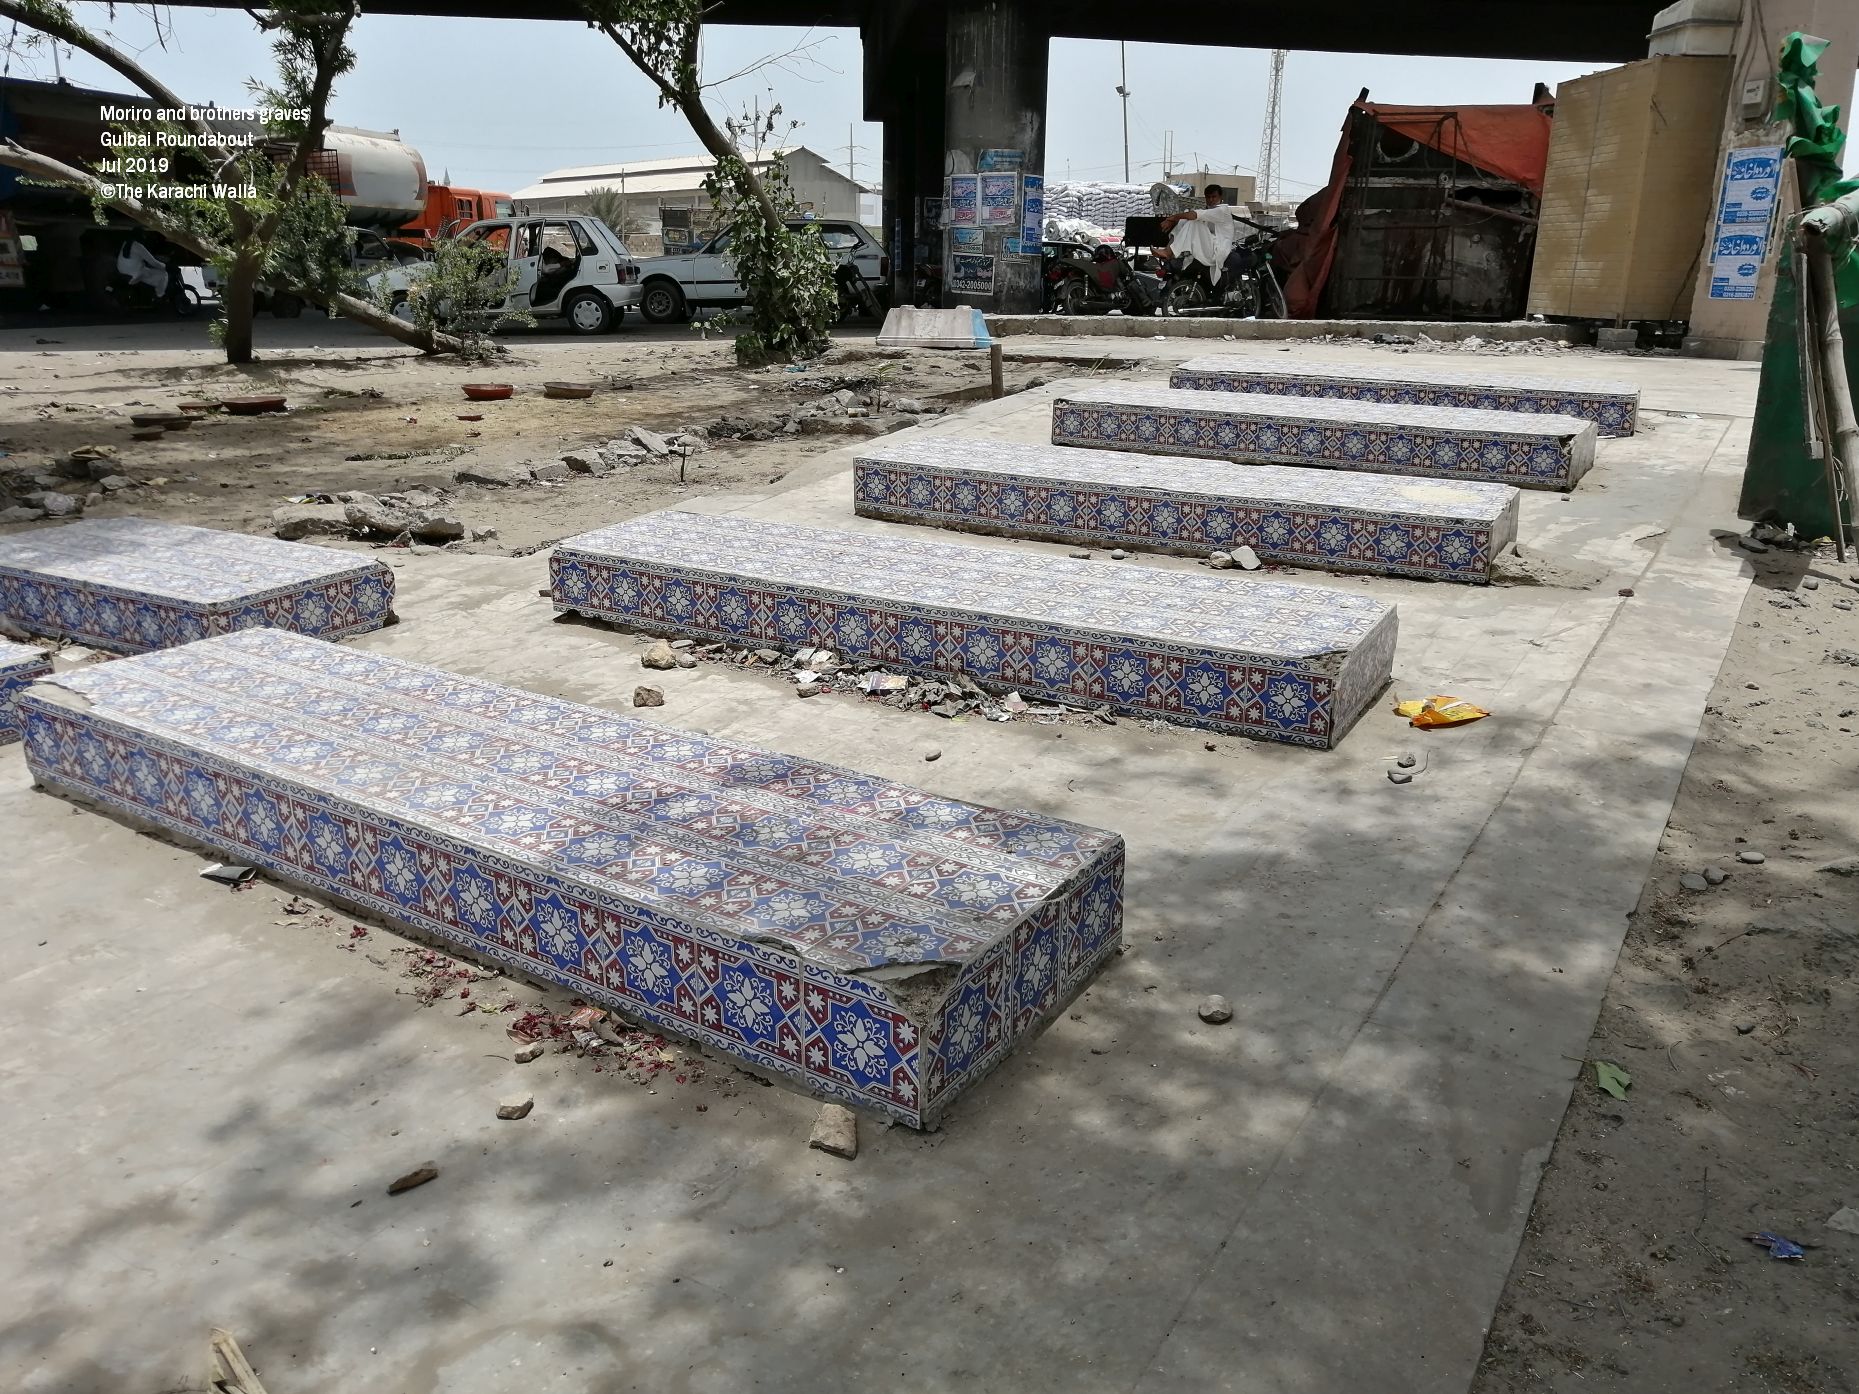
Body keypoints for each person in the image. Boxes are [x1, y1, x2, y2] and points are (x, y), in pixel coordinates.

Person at [1160, 184, 1243, 289]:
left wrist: (1171, 218)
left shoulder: (1222, 211)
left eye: (1214, 197)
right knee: (1186, 218)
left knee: (1193, 221)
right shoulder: (1207, 211)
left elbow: (1195, 215)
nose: (1211, 200)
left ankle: (1169, 252)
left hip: (1218, 251)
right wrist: (1175, 220)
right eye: (1208, 197)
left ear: (1220, 198)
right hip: (1208, 247)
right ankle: (1170, 250)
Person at [116, 234, 170, 299]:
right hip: (135, 273)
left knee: (146, 269)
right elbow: (153, 262)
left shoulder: (126, 242)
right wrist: (165, 267)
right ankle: (159, 294)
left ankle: (140, 279)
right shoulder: (138, 246)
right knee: (164, 275)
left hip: (121, 269)